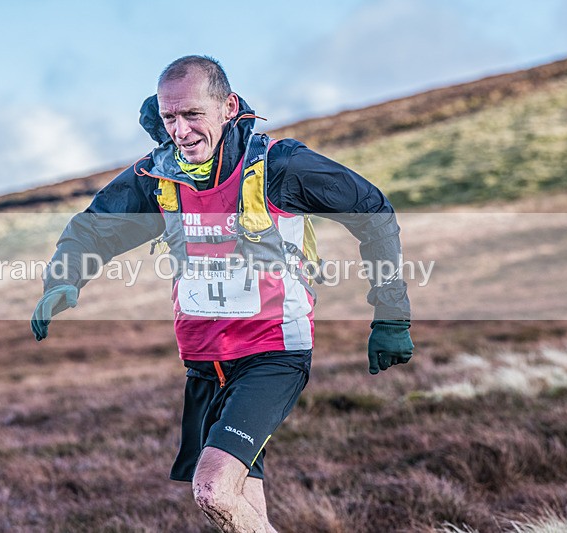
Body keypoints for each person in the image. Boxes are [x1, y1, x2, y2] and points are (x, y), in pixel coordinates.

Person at [31, 55, 413, 532]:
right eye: (170, 117)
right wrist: (64, 279)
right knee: (242, 511)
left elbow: (373, 211)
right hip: (205, 365)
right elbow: (94, 228)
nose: (181, 130)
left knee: (212, 489)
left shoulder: (280, 165)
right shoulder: (157, 174)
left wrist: (391, 314)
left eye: (193, 115)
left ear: (228, 107)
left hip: (272, 355)